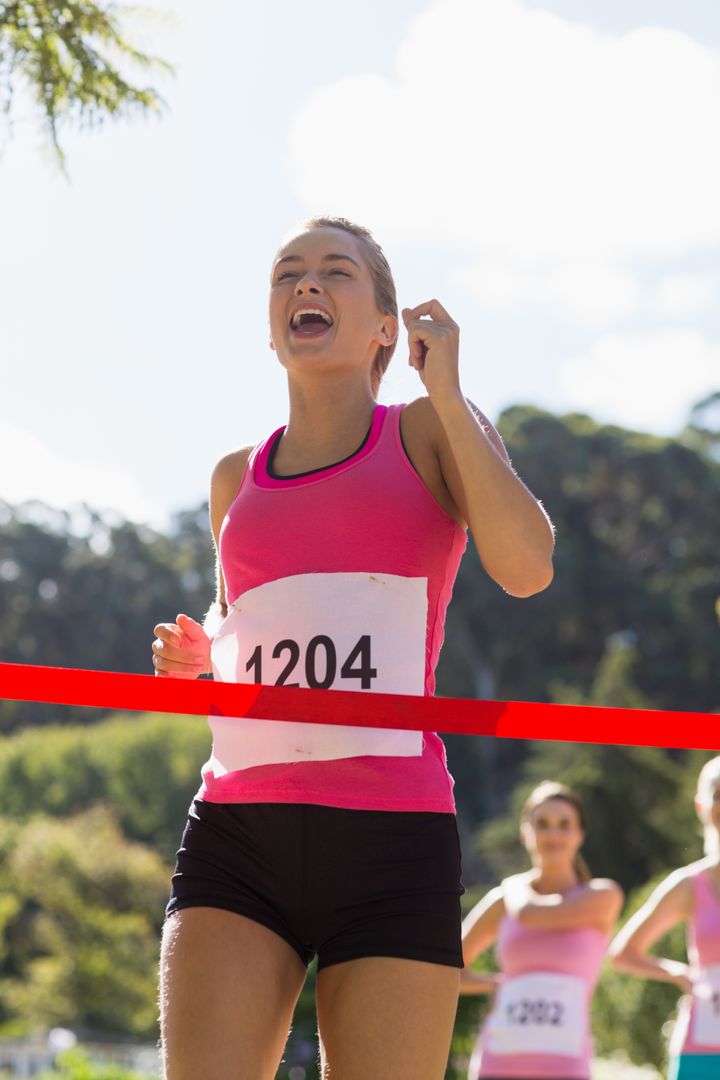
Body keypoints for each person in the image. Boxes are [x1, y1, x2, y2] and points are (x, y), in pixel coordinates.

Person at [151, 216, 555, 1080]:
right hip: (239, 833)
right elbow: (243, 641)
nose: (306, 283)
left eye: (335, 272)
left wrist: (448, 391)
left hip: (392, 840)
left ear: (385, 324)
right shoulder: (235, 478)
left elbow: (526, 568)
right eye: (287, 273)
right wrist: (199, 660)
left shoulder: (425, 431)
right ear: (270, 327)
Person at [460, 780, 623, 1079]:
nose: (553, 833)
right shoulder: (502, 901)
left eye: (564, 824)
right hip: (498, 1062)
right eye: (543, 824)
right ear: (525, 832)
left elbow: (530, 914)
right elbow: (447, 968)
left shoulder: (602, 896)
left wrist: (513, 885)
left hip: (566, 1065)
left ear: (580, 834)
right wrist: (496, 983)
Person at [610, 756, 720, 1080]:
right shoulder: (689, 885)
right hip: (702, 1053)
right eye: (718, 794)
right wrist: (679, 973)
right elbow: (623, 953)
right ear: (701, 806)